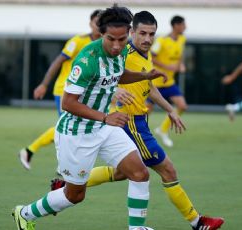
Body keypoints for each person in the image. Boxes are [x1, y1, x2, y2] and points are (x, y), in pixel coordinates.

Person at [51, 11, 225, 230]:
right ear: (131, 32)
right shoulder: (123, 51)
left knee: (124, 172)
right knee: (167, 170)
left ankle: (65, 186)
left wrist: (170, 109)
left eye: (151, 34)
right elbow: (107, 78)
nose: (147, 39)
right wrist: (115, 94)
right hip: (130, 121)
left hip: (137, 120)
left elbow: (147, 86)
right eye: (142, 33)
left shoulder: (144, 53)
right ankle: (197, 222)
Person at [12, 5, 167, 230]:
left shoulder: (123, 50)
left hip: (104, 127)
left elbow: (118, 73)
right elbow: (67, 103)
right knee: (74, 196)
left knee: (139, 173)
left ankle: (136, 228)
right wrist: (106, 117)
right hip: (77, 133)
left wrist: (143, 75)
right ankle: (24, 213)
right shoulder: (87, 60)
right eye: (110, 39)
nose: (116, 46)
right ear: (101, 33)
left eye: (122, 39)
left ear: (129, 34)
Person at [18, 10, 102, 170]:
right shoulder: (77, 41)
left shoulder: (105, 45)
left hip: (85, 91)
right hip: (65, 89)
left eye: (101, 22)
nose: (98, 26)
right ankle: (34, 152)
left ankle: (60, 163)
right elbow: (58, 61)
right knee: (67, 125)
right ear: (90, 23)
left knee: (75, 127)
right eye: (95, 22)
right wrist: (44, 84)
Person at [150, 15, 187, 147]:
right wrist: (167, 67)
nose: (185, 27)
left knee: (182, 106)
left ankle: (162, 130)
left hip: (169, 82)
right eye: (183, 25)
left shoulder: (182, 39)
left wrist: (181, 64)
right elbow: (151, 57)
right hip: (156, 83)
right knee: (145, 111)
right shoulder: (162, 40)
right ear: (176, 26)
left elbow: (180, 54)